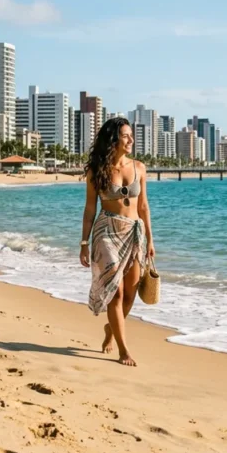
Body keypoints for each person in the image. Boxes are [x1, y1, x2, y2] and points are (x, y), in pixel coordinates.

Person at [80, 117, 155, 367]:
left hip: (134, 233)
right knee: (116, 292)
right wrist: (83, 242)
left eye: (131, 135)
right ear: (113, 139)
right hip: (106, 232)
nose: (131, 140)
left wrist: (151, 241)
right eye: (125, 136)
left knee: (131, 294)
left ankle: (111, 329)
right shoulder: (97, 170)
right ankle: (124, 350)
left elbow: (143, 206)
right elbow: (90, 209)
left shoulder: (139, 168)